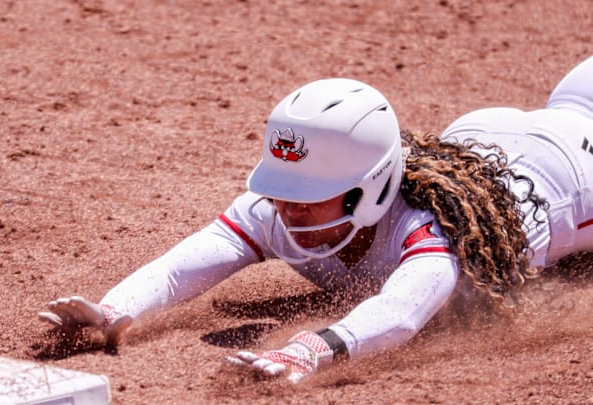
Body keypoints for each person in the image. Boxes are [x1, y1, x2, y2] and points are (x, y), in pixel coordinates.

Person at [38, 55, 593, 383]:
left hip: (578, 170)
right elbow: (180, 268)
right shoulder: (276, 206)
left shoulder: (430, 226)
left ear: (368, 190)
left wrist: (311, 349)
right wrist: (115, 307)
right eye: (284, 191)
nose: (289, 207)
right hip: (491, 138)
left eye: (311, 194)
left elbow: (401, 314)